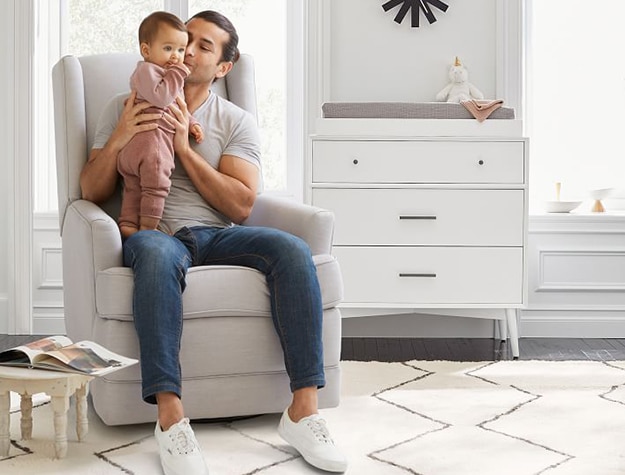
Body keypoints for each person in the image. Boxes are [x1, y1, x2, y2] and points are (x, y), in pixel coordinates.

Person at [80, 9, 348, 475]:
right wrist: (123, 133)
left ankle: (304, 412)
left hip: (216, 234)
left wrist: (184, 149)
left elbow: (242, 205)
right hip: (154, 233)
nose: (187, 51)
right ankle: (171, 421)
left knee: (292, 250)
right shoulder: (123, 104)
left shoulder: (234, 120)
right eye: (185, 41)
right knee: (158, 257)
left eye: (204, 46)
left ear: (224, 67)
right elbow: (91, 191)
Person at [117, 11, 204, 238]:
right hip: (151, 144)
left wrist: (192, 124)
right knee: (156, 186)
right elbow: (162, 99)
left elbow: (178, 106)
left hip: (139, 148)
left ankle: (127, 224)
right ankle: (148, 228)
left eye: (180, 50)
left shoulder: (168, 78)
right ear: (146, 51)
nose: (176, 57)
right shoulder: (147, 70)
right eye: (168, 49)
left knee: (135, 187)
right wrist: (179, 73)